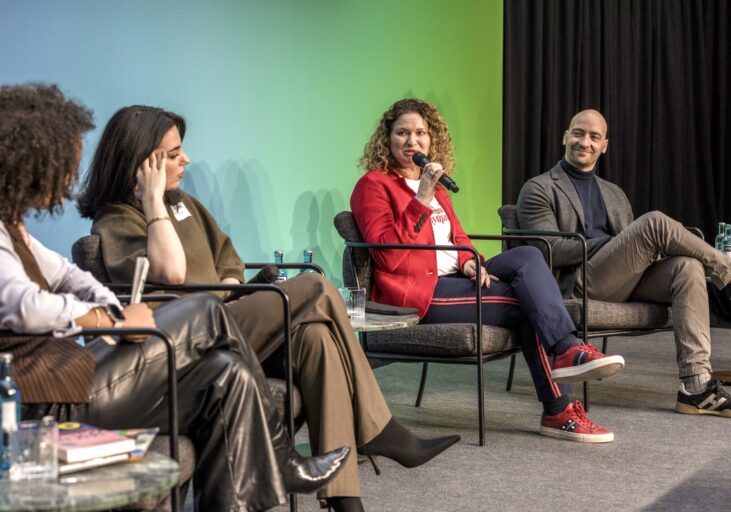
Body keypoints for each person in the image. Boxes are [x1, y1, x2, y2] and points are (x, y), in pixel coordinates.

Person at [76, 105, 460, 512]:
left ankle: (347, 501)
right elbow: (171, 272)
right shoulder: (116, 220)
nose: (185, 159)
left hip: (229, 320)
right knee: (315, 285)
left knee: (316, 337)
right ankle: (380, 428)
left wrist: (229, 284)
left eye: (180, 150)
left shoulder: (184, 203)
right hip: (192, 351)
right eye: (172, 155)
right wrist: (153, 204)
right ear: (142, 165)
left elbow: (228, 257)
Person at [0, 83, 351, 511]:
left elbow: (68, 276)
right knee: (204, 308)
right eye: (59, 168)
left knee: (228, 374)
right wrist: (111, 321)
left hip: (68, 376)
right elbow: (23, 305)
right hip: (36, 400)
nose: (66, 180)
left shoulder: (12, 227)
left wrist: (109, 304)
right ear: (28, 165)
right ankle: (282, 453)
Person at [351, 98, 627, 444]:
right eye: (402, 133)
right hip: (418, 292)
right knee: (531, 308)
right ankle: (560, 403)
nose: (412, 141)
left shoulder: (436, 188)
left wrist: (471, 261)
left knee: (527, 255)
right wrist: (420, 198)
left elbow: (458, 236)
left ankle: (567, 353)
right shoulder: (374, 185)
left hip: (457, 277)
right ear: (387, 139)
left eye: (420, 133)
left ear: (431, 140)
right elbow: (387, 255)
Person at [517, 108, 731, 418]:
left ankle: (696, 386)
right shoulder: (539, 187)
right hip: (578, 282)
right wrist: (615, 243)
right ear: (565, 136)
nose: (585, 142)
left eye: (594, 137)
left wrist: (642, 251)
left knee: (687, 267)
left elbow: (630, 250)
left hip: (620, 280)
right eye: (578, 133)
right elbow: (548, 250)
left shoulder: (614, 194)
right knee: (655, 223)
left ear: (604, 145)